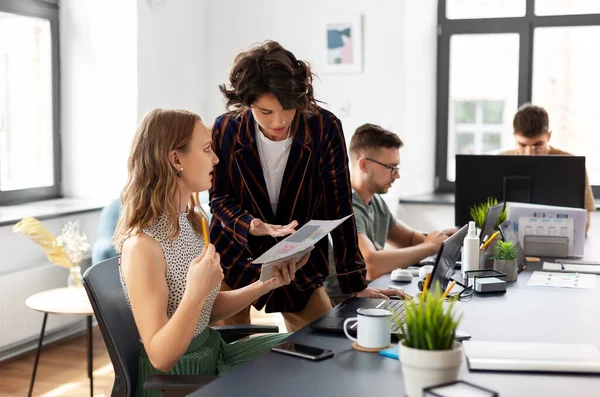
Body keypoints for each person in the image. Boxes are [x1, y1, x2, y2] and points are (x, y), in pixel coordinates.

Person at [115, 109, 308, 396]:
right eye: (206, 149)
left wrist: (266, 284)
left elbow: (206, 308)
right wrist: (196, 292)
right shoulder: (143, 246)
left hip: (214, 354)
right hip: (181, 378)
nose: (216, 159)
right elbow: (160, 357)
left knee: (306, 355)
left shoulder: (194, 223)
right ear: (176, 160)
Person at [209, 41, 396, 332]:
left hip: (298, 262)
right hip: (235, 255)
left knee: (325, 343)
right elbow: (218, 198)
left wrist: (354, 282)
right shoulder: (226, 128)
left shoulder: (324, 127)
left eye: (287, 108)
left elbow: (340, 205)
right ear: (247, 103)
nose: (279, 120)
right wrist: (252, 224)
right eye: (265, 111)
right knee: (231, 350)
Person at [348, 123, 453, 281]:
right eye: (391, 167)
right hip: (344, 301)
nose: (396, 175)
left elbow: (409, 239)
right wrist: (430, 246)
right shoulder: (346, 206)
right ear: (364, 164)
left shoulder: (375, 201)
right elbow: (370, 265)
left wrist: (444, 238)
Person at [500, 103, 595, 234]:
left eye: (537, 144)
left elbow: (585, 225)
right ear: (514, 136)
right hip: (509, 243)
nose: (530, 153)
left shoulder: (571, 165)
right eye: (522, 145)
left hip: (559, 240)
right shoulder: (500, 161)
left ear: (548, 136)